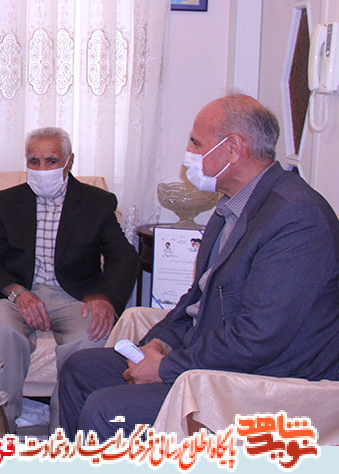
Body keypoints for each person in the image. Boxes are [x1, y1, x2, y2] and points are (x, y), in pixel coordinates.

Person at [59, 94, 339, 439]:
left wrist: (167, 368)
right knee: (80, 369)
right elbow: (196, 299)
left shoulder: (296, 217)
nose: (188, 153)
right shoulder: (230, 208)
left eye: (196, 143)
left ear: (232, 148)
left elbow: (259, 337)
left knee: (106, 410)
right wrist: (159, 343)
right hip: (209, 362)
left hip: (260, 386)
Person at [0, 127, 138, 430]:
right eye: (34, 161)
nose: (42, 169)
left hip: (75, 296)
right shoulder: (8, 201)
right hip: (20, 294)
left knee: (92, 335)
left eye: (51, 161)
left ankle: (65, 434)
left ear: (69, 161)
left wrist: (107, 298)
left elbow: (124, 257)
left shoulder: (97, 203)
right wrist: (16, 292)